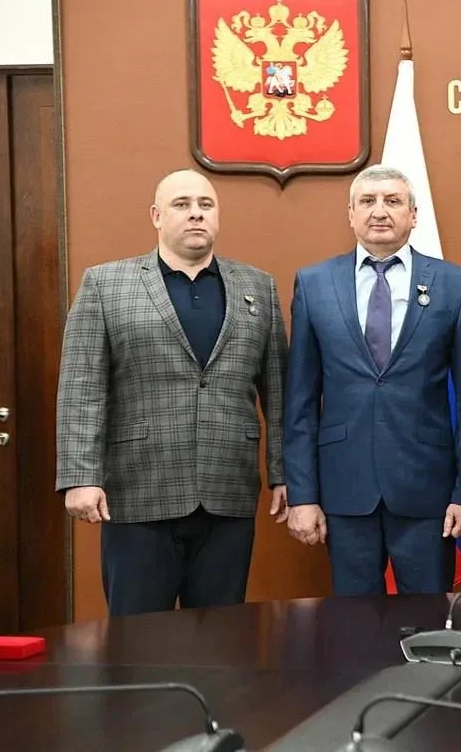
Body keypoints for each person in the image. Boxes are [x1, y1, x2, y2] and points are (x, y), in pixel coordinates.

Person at [55, 168, 288, 616]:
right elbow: (82, 386)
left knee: (222, 638)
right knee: (138, 639)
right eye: (182, 205)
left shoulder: (258, 287)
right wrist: (81, 476)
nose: (195, 214)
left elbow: (278, 391)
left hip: (227, 492)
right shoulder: (105, 284)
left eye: (205, 205)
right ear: (157, 216)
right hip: (138, 492)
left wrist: (283, 472)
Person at [282, 165, 461, 596]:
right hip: (344, 489)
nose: (380, 211)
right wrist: (303, 494)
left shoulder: (454, 284)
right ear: (350, 214)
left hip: (428, 491)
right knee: (354, 624)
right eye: (368, 201)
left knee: (427, 619)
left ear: (413, 215)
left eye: (393, 201)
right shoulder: (315, 284)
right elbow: (299, 402)